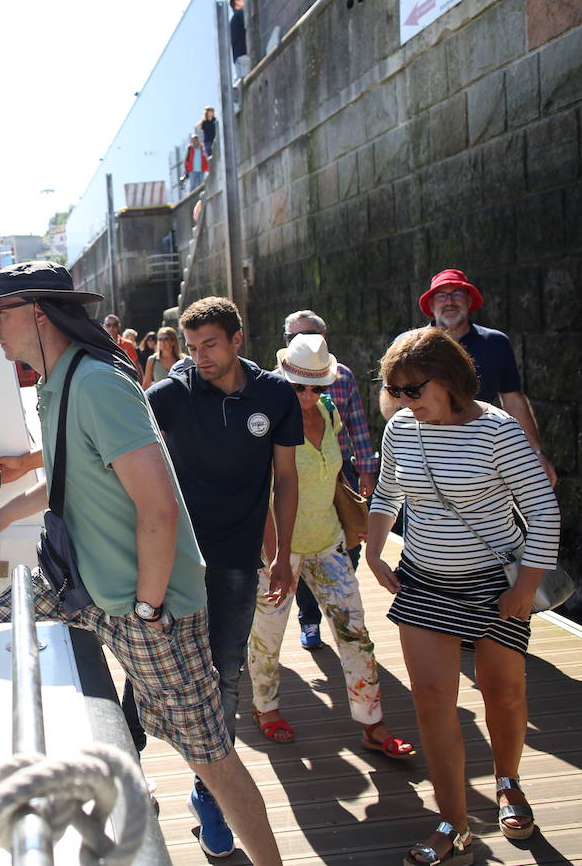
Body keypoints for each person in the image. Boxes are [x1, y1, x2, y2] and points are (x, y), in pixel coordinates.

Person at [0, 263, 283, 865]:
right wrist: (1, 517)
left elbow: (158, 506)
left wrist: (150, 606)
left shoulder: (99, 383)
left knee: (210, 756)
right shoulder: (56, 381)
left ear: (38, 313)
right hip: (80, 580)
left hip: (144, 601)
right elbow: (70, 473)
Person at [365, 327, 560, 866]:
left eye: (413, 389)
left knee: (504, 695)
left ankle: (508, 783)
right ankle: (453, 822)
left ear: (448, 380)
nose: (404, 402)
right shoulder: (401, 429)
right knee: (431, 700)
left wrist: (526, 585)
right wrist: (374, 551)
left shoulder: (498, 431)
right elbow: (387, 491)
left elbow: (542, 509)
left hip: (495, 586)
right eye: (395, 391)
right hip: (423, 582)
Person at [139, 296, 298, 855]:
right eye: (191, 347)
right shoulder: (168, 397)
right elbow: (110, 448)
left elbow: (286, 476)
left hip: (236, 561)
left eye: (210, 344)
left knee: (225, 673)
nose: (200, 357)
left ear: (236, 340)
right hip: (174, 562)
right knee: (158, 670)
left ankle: (210, 796)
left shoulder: (276, 395)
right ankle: (143, 769)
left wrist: (282, 553)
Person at [244, 334, 414, 758]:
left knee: (355, 633)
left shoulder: (330, 412)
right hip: (282, 549)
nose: (306, 395)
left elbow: (333, 475)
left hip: (329, 542)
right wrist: (274, 557)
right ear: (284, 376)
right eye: (298, 384)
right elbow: (257, 491)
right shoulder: (264, 421)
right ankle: (265, 708)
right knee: (267, 636)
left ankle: (372, 724)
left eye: (315, 386)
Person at [381, 269, 556, 487]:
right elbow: (389, 398)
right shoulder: (407, 344)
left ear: (469, 300)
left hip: (483, 449)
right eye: (442, 296)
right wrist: (408, 442)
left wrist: (535, 452)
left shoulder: (496, 343)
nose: (450, 302)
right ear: (431, 304)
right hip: (426, 449)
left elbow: (513, 400)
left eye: (457, 294)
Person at [281, 310, 378, 650]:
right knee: (304, 548)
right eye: (291, 338)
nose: (299, 342)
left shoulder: (344, 377)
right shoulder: (278, 380)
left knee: (348, 548)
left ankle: (340, 614)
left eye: (305, 335)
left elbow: (357, 425)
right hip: (295, 479)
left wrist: (366, 471)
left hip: (338, 472)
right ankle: (310, 618)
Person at [229, 0, 249, 80]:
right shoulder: (240, 14)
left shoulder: (233, 20)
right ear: (237, 2)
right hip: (244, 57)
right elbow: (249, 25)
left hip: (238, 59)